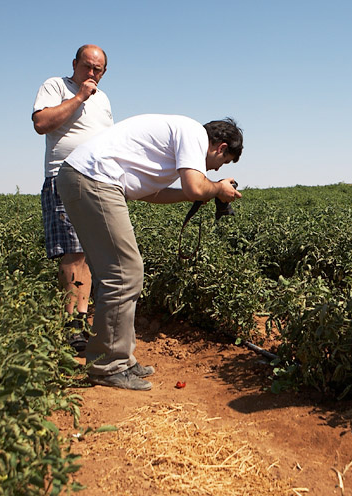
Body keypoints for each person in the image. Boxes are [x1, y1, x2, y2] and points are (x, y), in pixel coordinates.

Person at [57, 114, 243, 390]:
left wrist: (206, 193)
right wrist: (216, 189)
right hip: (94, 179)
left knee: (116, 272)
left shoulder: (177, 145)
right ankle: (108, 365)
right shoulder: (194, 133)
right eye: (222, 163)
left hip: (87, 178)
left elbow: (149, 193)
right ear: (221, 147)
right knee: (125, 272)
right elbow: (194, 186)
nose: (216, 170)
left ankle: (121, 358)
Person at [32, 45, 114, 351]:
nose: (91, 74)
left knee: (91, 253)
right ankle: (71, 327)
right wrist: (79, 97)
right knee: (74, 253)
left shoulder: (104, 100)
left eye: (98, 70)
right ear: (75, 64)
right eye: (87, 67)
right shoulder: (56, 86)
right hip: (64, 178)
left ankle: (82, 321)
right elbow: (41, 123)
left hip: (98, 183)